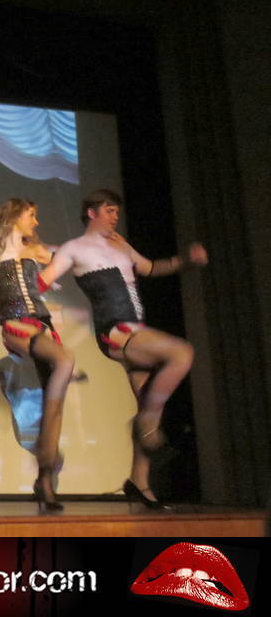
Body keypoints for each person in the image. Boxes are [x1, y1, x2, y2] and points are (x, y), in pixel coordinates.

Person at [39, 189, 207, 508]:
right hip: (116, 331)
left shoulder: (121, 244)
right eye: (109, 210)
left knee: (147, 402)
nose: (115, 217)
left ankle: (139, 482)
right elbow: (44, 279)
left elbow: (151, 268)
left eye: (116, 211)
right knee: (181, 352)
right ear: (92, 213)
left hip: (136, 329)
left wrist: (186, 260)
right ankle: (147, 424)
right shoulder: (75, 248)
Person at [0, 199, 75, 512]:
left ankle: (44, 481)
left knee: (55, 403)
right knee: (65, 360)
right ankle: (45, 441)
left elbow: (67, 259)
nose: (36, 222)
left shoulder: (36, 250)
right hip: (16, 327)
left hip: (42, 325)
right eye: (32, 215)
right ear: (15, 215)